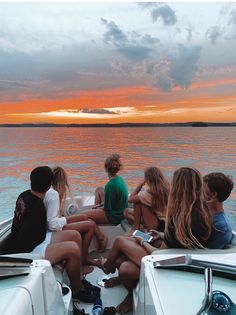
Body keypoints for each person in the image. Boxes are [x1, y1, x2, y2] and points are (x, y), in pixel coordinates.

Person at [101, 167, 212, 313]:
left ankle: (106, 268)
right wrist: (160, 235)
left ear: (178, 188)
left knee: (120, 245)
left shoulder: (179, 219)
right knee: (122, 262)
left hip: (168, 264)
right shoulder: (203, 214)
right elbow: (180, 242)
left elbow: (158, 254)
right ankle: (129, 289)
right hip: (180, 260)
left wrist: (143, 242)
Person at [9, 166, 99, 303]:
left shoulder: (24, 195)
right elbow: (51, 226)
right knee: (73, 249)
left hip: (34, 239)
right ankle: (76, 290)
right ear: (49, 185)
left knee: (75, 236)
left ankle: (76, 274)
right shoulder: (37, 206)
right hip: (29, 251)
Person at [44, 166, 108, 267]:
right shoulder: (54, 194)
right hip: (52, 229)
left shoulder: (50, 192)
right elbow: (52, 224)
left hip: (54, 225)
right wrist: (64, 219)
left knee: (83, 217)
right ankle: (83, 260)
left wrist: (63, 218)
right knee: (90, 225)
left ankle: (86, 256)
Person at [82, 153, 128, 225]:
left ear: (106, 168)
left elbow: (107, 209)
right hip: (120, 210)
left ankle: (96, 226)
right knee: (99, 190)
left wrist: (97, 208)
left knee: (83, 215)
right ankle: (95, 216)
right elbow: (114, 200)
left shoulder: (110, 185)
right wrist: (99, 205)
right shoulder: (119, 179)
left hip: (115, 216)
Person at [124, 166, 170, 231]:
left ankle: (136, 228)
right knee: (126, 212)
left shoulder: (148, 194)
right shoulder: (168, 189)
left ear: (147, 179)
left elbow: (130, 199)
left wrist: (139, 186)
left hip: (158, 226)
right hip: (168, 223)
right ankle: (140, 228)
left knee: (138, 202)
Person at [203, 172, 234, 249]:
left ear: (213, 194)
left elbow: (209, 255)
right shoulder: (203, 215)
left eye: (202, 188)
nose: (198, 191)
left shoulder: (222, 228)